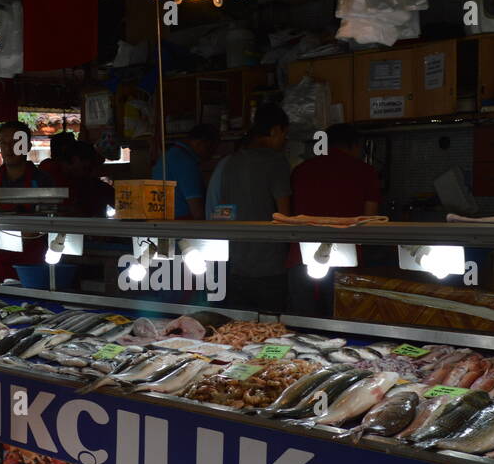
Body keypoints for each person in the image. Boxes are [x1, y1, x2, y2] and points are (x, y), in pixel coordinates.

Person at [287, 123, 380, 316]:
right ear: (355, 145)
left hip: (301, 258)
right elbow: (371, 220)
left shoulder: (301, 170)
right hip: (347, 259)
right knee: (341, 322)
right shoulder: (365, 172)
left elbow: (290, 212)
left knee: (304, 326)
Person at [211, 103, 293, 312]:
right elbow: (284, 215)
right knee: (272, 329)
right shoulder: (276, 161)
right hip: (270, 266)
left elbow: (222, 213)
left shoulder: (230, 162)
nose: (285, 141)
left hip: (237, 265)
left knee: (240, 332)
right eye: (284, 134)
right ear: (275, 130)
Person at [0, 119, 52, 282]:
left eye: (16, 143)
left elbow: (47, 225)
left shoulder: (43, 182)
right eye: (4, 143)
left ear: (27, 146)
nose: (9, 149)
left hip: (35, 266)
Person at [152, 124, 216, 220]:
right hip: (182, 225)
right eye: (211, 148)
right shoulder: (186, 163)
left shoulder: (167, 157)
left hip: (163, 223)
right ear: (200, 143)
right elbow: (198, 211)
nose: (212, 154)